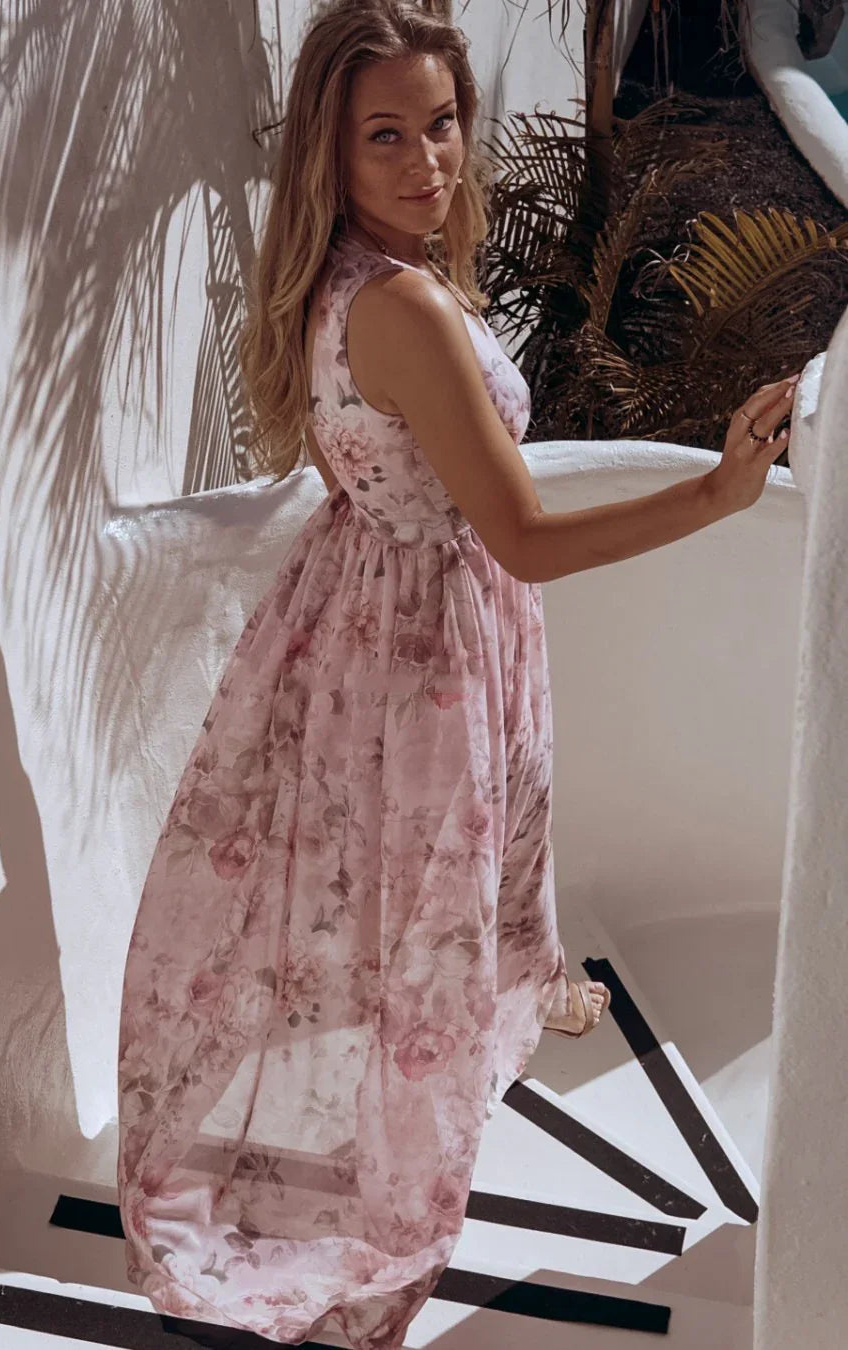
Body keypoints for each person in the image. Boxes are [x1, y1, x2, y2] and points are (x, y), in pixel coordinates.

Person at [115, 2, 797, 1346]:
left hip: (359, 617)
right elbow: (524, 533)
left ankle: (466, 1049)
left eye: (443, 125)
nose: (429, 161)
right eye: (387, 135)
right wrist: (722, 495)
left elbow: (349, 464)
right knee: (413, 920)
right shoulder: (410, 306)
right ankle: (392, 1175)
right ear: (331, 152)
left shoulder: (344, 284)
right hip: (422, 646)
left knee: (378, 908)